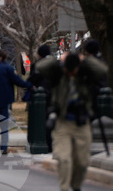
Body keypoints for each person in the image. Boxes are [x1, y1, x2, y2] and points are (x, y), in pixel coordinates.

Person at [35, 49, 108, 191]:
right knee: (64, 159)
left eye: (73, 70)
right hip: (63, 121)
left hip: (82, 121)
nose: (70, 73)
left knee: (82, 161)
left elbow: (102, 69)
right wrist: (58, 60)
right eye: (68, 69)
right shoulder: (58, 74)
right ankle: (64, 188)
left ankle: (76, 186)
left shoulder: (84, 74)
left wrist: (85, 60)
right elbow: (40, 66)